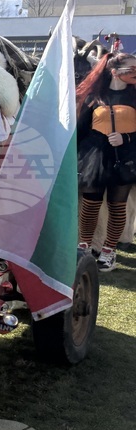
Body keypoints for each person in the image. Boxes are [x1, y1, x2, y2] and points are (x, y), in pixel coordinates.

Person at [76, 48, 136, 271]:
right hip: (94, 158)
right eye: (132, 67)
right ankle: (85, 246)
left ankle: (109, 251)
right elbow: (81, 129)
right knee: (90, 206)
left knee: (117, 206)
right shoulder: (93, 97)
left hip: (126, 157)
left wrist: (126, 137)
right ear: (114, 70)